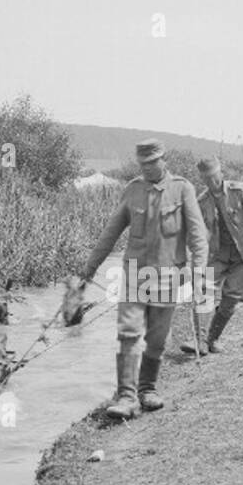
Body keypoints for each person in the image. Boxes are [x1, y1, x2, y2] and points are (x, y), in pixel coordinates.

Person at [78, 139, 208, 418]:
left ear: (164, 160)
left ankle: (148, 389)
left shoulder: (183, 189)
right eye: (143, 164)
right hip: (135, 277)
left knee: (157, 339)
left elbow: (198, 237)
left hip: (167, 278)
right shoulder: (133, 190)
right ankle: (126, 397)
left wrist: (198, 272)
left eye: (153, 163)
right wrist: (88, 270)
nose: (148, 169)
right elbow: (110, 233)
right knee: (128, 333)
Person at [181, 155, 243, 355]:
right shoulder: (202, 201)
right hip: (218, 255)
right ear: (202, 179)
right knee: (204, 289)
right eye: (206, 179)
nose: (211, 182)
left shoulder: (240, 191)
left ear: (220, 173)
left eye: (214, 176)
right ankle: (199, 340)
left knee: (231, 297)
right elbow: (195, 234)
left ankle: (211, 339)